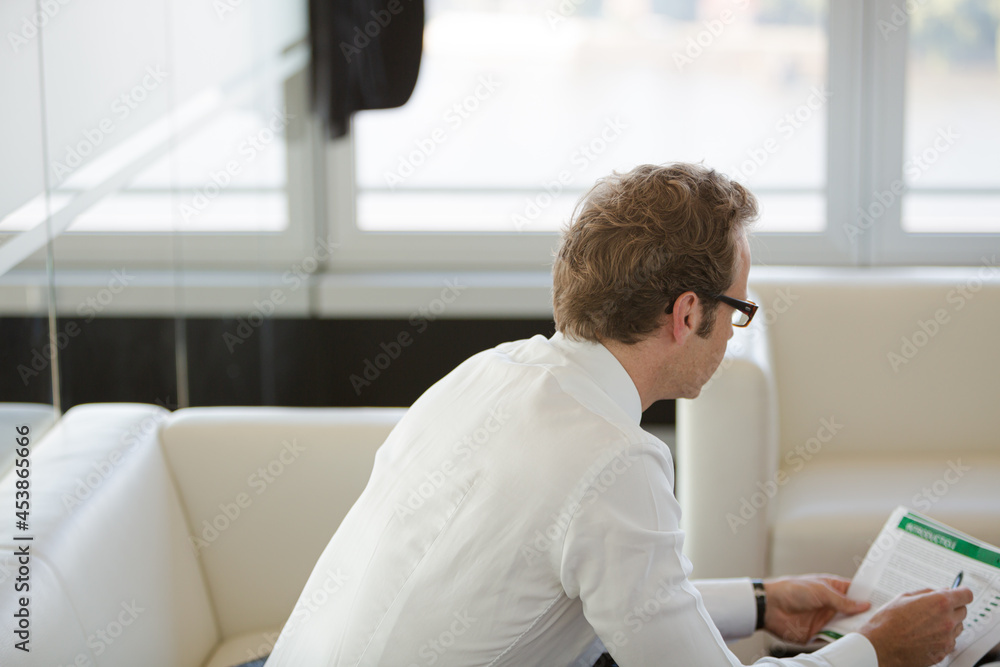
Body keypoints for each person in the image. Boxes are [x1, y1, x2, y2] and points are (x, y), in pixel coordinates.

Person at [264, 163, 972, 667]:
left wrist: (760, 602)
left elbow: (611, 595)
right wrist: (876, 649)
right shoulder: (614, 461)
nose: (734, 333)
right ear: (687, 313)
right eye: (739, 309)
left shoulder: (490, 370)